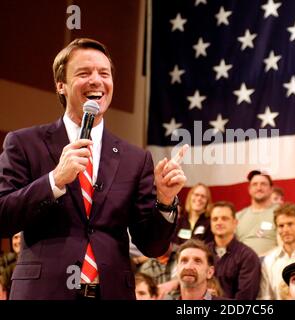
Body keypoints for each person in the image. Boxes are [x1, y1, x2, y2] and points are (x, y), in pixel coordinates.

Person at [0, 38, 187, 300]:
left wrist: (165, 201)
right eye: (84, 73)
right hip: (44, 293)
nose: (96, 80)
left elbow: (152, 245)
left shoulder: (135, 158)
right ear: (61, 85)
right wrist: (54, 181)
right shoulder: (24, 143)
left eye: (104, 73)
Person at [207, 201, 261, 300]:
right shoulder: (203, 253)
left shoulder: (248, 257)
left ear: (235, 223)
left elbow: (245, 299)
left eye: (224, 218)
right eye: (215, 219)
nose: (219, 222)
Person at [236, 170, 278, 256]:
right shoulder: (238, 216)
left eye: (263, 184)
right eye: (255, 184)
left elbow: (286, 244)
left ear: (271, 189)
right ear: (249, 189)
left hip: (272, 262)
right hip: (243, 264)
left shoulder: (281, 212)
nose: (259, 188)